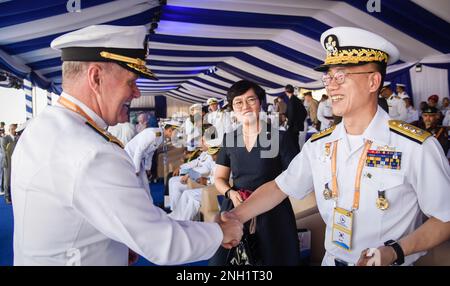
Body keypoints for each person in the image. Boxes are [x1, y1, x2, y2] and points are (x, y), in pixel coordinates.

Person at [11, 25, 242, 266]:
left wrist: (118, 244)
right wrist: (220, 232)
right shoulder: (92, 152)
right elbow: (162, 243)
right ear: (96, 77)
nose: (136, 92)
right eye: (131, 81)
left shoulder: (44, 126)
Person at [224, 27, 450, 266]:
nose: (331, 86)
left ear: (373, 81)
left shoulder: (415, 147)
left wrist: (395, 252)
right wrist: (234, 217)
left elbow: (445, 218)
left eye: (341, 76)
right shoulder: (319, 145)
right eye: (328, 77)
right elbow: (279, 188)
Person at [209, 80, 300, 266]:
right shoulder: (230, 139)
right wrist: (230, 193)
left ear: (260, 103)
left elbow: (296, 179)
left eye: (251, 100)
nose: (245, 107)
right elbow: (219, 178)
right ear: (233, 109)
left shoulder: (280, 138)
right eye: (238, 102)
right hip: (236, 207)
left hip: (272, 212)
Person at [125, 121, 180, 194]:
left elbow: (150, 153)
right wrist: (136, 170)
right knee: (135, 183)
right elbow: (139, 151)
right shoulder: (153, 134)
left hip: (138, 158)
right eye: (175, 133)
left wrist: (148, 168)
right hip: (130, 156)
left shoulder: (160, 137)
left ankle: (147, 201)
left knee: (144, 183)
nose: (176, 135)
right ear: (169, 130)